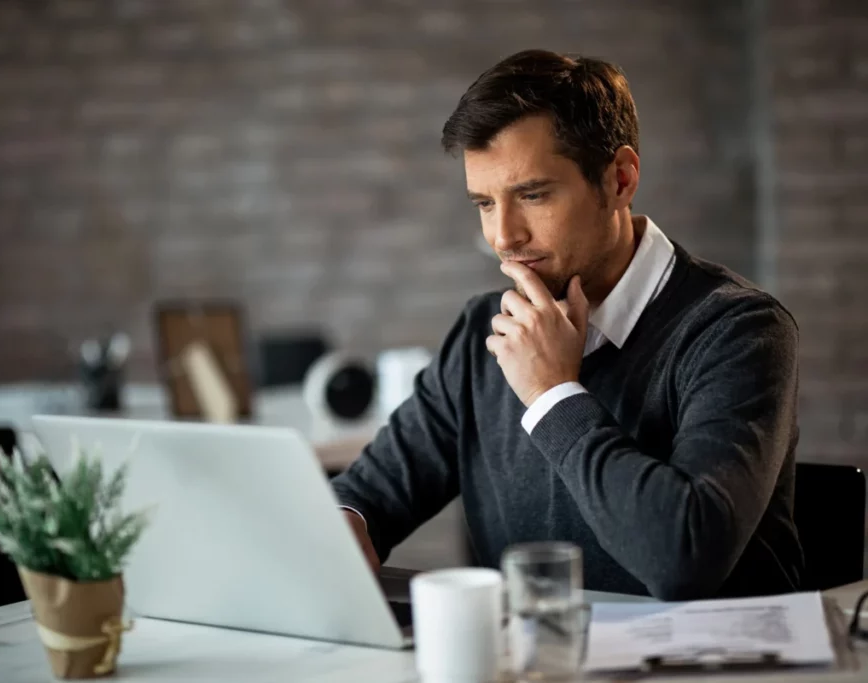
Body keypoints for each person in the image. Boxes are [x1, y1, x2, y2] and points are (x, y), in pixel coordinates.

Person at [330, 49, 802, 600]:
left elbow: (682, 558)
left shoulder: (739, 329)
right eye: (484, 203)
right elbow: (371, 491)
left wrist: (552, 393)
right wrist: (346, 521)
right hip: (538, 660)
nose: (503, 237)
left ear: (621, 180)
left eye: (532, 195)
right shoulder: (484, 329)